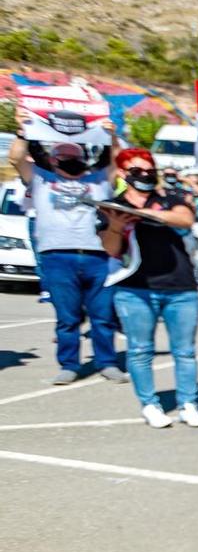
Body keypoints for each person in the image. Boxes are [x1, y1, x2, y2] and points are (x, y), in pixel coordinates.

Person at [8, 112, 121, 384]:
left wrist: (112, 135)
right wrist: (23, 131)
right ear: (52, 159)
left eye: (75, 155)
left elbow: (117, 161)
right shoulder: (41, 179)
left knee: (102, 315)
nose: (70, 160)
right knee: (67, 317)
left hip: (97, 255)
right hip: (57, 255)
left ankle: (107, 362)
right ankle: (69, 364)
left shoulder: (97, 181)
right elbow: (15, 158)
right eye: (63, 156)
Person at [98, 148, 198, 427]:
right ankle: (150, 404)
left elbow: (185, 218)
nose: (144, 175)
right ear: (122, 174)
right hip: (134, 289)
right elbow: (111, 249)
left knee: (185, 351)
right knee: (140, 350)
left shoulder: (170, 198)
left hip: (181, 288)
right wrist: (118, 225)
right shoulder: (112, 205)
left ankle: (188, 404)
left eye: (148, 170)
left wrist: (141, 212)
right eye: (136, 170)